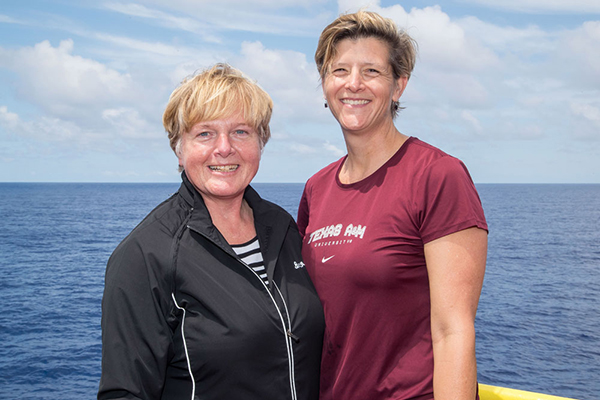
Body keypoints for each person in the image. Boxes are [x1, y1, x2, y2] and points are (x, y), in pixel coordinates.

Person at [98, 63, 324, 400]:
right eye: (205, 133)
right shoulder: (146, 254)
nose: (224, 148)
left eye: (241, 132)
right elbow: (124, 393)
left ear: (261, 142)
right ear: (179, 148)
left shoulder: (281, 227)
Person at [297, 11, 488, 400]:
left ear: (398, 85)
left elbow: (453, 331)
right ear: (324, 84)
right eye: (340, 71)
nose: (353, 84)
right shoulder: (316, 189)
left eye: (371, 71)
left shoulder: (437, 176)